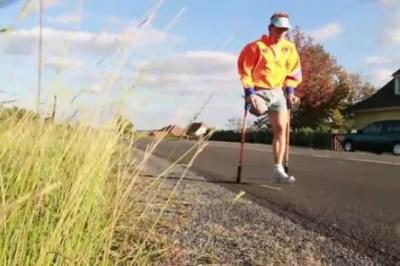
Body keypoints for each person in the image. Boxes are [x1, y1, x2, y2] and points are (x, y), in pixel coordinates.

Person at [237, 12, 302, 183]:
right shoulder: (255, 46)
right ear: (270, 28)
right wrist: (250, 93)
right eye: (279, 29)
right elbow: (245, 71)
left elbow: (293, 72)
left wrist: (290, 93)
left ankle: (278, 170)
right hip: (259, 90)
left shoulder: (289, 48)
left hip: (278, 92)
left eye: (285, 30)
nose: (281, 33)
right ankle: (251, 104)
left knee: (282, 129)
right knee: (258, 110)